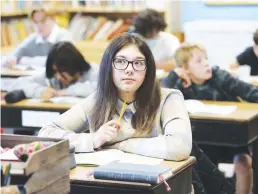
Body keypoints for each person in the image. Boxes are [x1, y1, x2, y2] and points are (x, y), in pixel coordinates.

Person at [38, 33, 192, 163]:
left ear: (148, 69)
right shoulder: (97, 100)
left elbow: (179, 147)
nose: (129, 69)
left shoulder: (168, 99)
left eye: (138, 63)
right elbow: (47, 134)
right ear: (108, 67)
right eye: (120, 62)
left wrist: (119, 145)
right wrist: (93, 140)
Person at [161, 43, 258, 194]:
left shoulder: (220, 76)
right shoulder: (179, 84)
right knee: (199, 170)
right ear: (185, 69)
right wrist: (174, 74)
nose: (206, 63)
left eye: (206, 59)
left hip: (230, 138)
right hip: (202, 142)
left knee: (243, 163)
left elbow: (251, 92)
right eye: (199, 61)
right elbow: (161, 98)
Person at [7, 42, 98, 99]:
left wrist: (66, 92)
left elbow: (101, 89)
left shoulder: (95, 72)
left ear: (74, 66)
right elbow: (17, 84)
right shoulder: (53, 77)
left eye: (62, 70)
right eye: (55, 71)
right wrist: (41, 91)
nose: (58, 76)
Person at [2, 7, 73, 69]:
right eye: (36, 22)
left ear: (53, 19)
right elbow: (13, 56)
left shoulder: (64, 37)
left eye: (43, 21)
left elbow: (56, 62)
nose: (39, 26)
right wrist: (10, 59)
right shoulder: (34, 38)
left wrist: (21, 61)